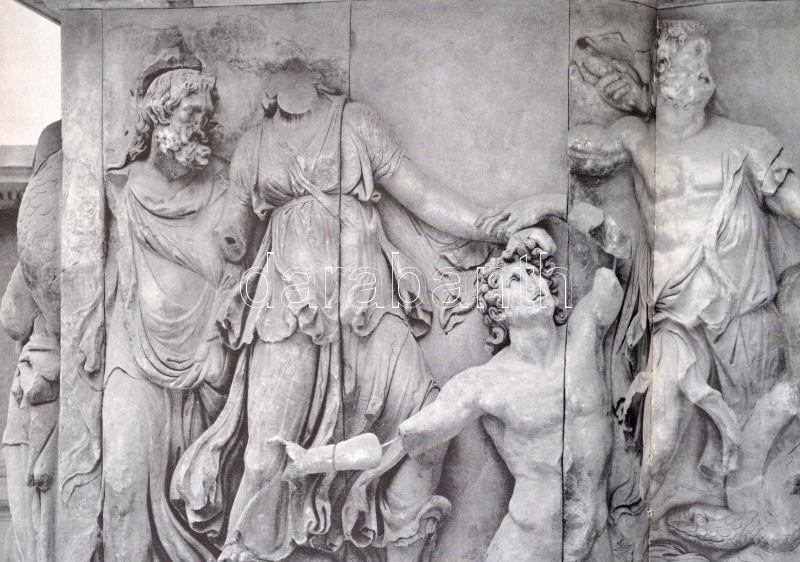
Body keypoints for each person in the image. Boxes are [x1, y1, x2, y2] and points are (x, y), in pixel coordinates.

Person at [171, 59, 570, 562]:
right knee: (263, 458)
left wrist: (497, 227)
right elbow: (232, 235)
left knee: (427, 423)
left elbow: (421, 195)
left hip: (368, 304)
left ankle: (403, 545)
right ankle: (241, 550)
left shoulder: (355, 122)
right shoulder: (254, 145)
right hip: (287, 308)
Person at [557, 19, 800, 559]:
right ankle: (637, 525)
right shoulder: (635, 137)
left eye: (706, 59)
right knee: (661, 430)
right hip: (672, 317)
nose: (705, 70)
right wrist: (625, 91)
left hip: (743, 314)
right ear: (664, 69)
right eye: (693, 56)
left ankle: (727, 535)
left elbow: (793, 204)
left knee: (749, 457)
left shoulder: (747, 142)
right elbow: (577, 150)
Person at [275, 243, 623, 562]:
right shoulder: (483, 384)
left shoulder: (584, 331)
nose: (534, 284)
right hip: (532, 543)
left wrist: (546, 214)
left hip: (596, 534)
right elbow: (403, 440)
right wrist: (313, 459)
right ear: (499, 309)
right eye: (516, 280)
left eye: (535, 273)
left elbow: (618, 259)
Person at [102, 42, 238, 560]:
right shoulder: (119, 187)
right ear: (159, 114)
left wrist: (218, 342)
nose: (200, 126)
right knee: (121, 482)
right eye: (189, 113)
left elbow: (242, 269)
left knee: (205, 501)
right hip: (133, 351)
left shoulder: (225, 184)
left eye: (205, 115)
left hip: (208, 363)